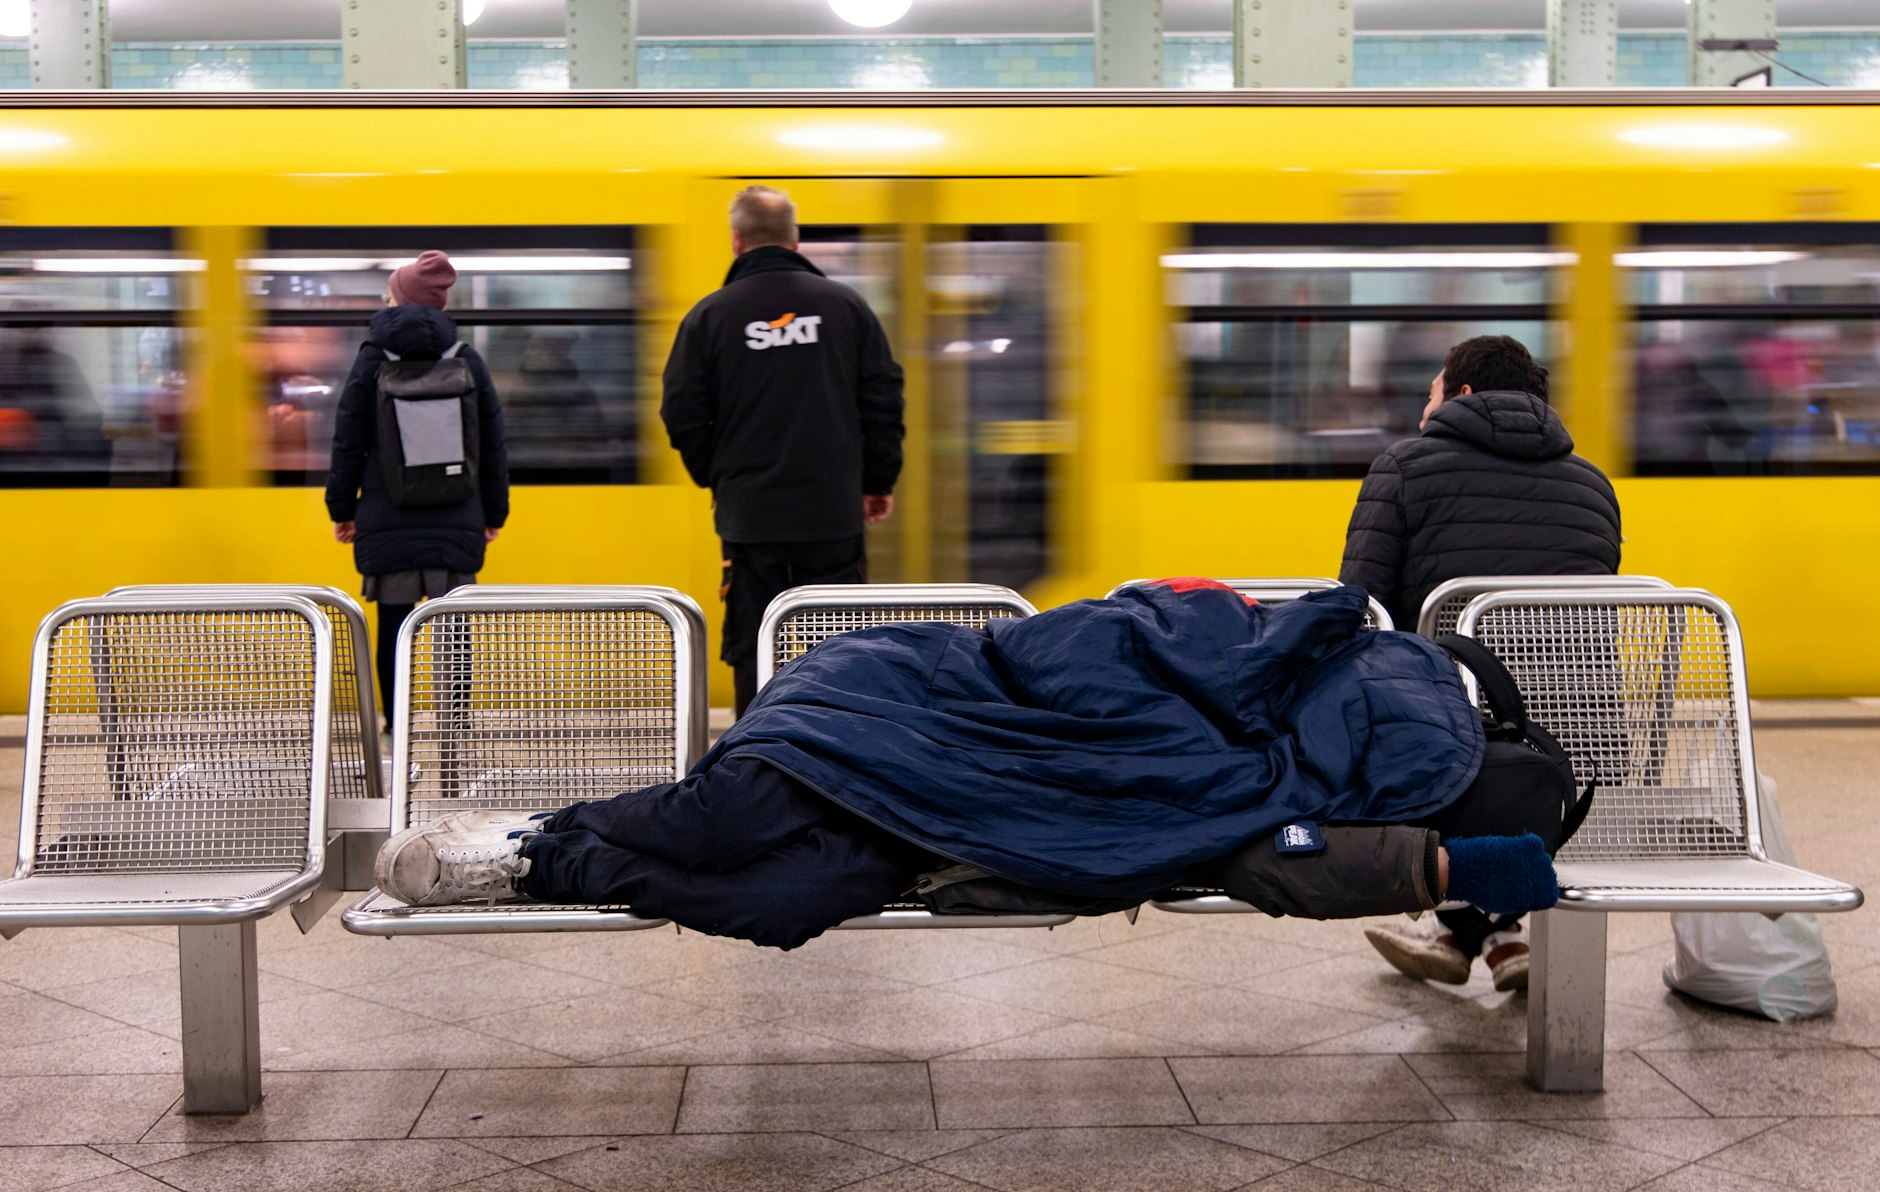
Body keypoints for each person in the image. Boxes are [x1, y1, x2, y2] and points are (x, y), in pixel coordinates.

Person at [374, 581, 1567, 951]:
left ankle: (550, 859)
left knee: (780, 901)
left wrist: (1451, 860)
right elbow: (1100, 640)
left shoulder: (1318, 779)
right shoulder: (1302, 642)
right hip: (899, 696)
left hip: (964, 814)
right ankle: (527, 835)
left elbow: (1279, 861)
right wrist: (1464, 856)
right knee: (720, 817)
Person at [1339, 334, 1621, 992]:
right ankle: (1493, 936)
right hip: (1576, 756)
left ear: (1463, 395)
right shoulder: (1594, 486)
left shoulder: (1403, 466)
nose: (1423, 407)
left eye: (1431, 392)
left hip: (1451, 752)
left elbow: (1362, 610)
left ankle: (1466, 928)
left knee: (1420, 730)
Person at [661, 185, 906, 716]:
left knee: (755, 640)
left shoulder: (711, 316)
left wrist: (721, 476)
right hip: (833, 512)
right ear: (795, 239)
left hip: (751, 518)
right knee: (841, 638)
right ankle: (839, 743)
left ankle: (759, 755)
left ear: (736, 241)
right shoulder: (846, 307)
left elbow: (680, 412)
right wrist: (877, 482)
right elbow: (883, 399)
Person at [325, 250, 510, 730]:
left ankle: (397, 722)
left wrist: (342, 509)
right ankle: (455, 719)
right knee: (453, 623)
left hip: (387, 515)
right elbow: (492, 443)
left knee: (392, 623)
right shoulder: (466, 358)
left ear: (397, 296)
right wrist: (495, 512)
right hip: (458, 510)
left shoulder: (371, 359)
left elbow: (348, 440)